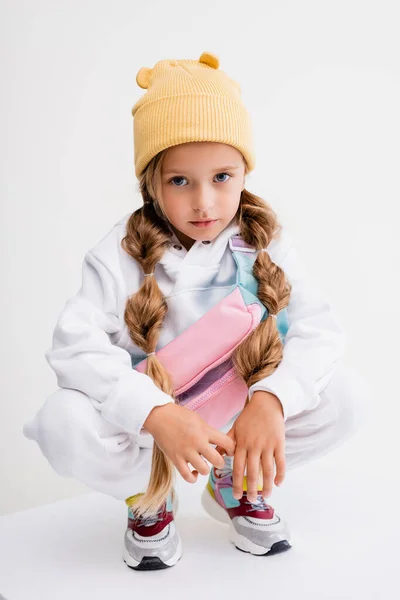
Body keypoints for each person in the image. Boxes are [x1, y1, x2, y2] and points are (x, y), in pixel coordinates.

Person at [23, 51, 370, 571]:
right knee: (61, 420)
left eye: (223, 177)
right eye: (180, 181)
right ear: (150, 183)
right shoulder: (117, 252)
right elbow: (75, 346)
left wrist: (271, 400)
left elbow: (321, 331)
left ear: (245, 171)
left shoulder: (268, 243)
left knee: (347, 397)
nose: (204, 202)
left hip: (235, 418)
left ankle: (237, 478)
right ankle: (149, 496)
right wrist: (155, 413)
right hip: (150, 426)